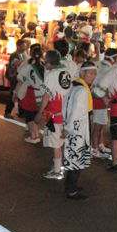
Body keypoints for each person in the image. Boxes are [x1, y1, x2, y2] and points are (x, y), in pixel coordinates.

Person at [63, 61, 97, 200]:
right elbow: (77, 111)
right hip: (77, 127)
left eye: (95, 73)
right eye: (90, 73)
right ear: (82, 73)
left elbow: (64, 105)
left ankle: (71, 186)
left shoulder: (74, 85)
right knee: (77, 159)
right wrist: (69, 127)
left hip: (72, 125)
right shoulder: (82, 90)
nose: (93, 76)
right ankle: (71, 190)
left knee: (74, 157)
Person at [36, 50, 72, 179]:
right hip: (66, 112)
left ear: (50, 62)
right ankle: (60, 165)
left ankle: (57, 171)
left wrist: (39, 113)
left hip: (55, 114)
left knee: (56, 143)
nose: (44, 63)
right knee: (61, 141)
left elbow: (46, 96)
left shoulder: (51, 75)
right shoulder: (66, 72)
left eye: (45, 61)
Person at [91, 48, 117, 158]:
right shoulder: (107, 69)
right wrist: (105, 99)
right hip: (100, 100)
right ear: (114, 58)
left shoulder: (100, 64)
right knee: (97, 126)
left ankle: (100, 145)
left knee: (100, 125)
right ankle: (95, 149)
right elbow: (99, 86)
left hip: (97, 99)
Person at [15, 43, 44, 144]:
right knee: (36, 114)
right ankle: (36, 134)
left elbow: (20, 80)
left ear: (31, 54)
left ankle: (33, 136)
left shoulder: (28, 65)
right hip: (42, 94)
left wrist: (15, 92)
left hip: (31, 93)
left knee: (29, 116)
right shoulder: (44, 64)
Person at [5, 39, 28, 119]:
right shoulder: (15, 55)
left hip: (18, 77)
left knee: (20, 94)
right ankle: (7, 112)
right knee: (13, 94)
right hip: (14, 77)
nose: (24, 48)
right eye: (23, 46)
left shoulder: (22, 54)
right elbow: (17, 64)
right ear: (18, 46)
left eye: (24, 46)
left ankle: (21, 112)